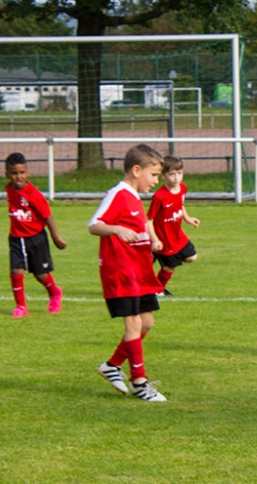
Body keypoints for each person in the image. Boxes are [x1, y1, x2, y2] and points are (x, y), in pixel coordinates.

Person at [88, 144, 167, 402]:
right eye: (153, 175)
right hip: (121, 271)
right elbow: (94, 224)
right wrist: (116, 229)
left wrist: (152, 239)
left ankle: (112, 365)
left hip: (139, 271)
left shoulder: (133, 196)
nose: (156, 181)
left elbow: (139, 224)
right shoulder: (118, 194)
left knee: (147, 322)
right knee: (133, 323)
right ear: (136, 170)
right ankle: (139, 382)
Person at [4, 152, 66, 318]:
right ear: (7, 174)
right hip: (16, 238)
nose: (19, 177)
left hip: (36, 238)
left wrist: (55, 237)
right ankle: (21, 307)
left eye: (22, 172)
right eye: (14, 173)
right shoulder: (9, 189)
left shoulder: (33, 195)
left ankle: (55, 293)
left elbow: (47, 216)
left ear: (27, 172)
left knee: (40, 274)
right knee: (16, 271)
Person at [146, 155, 200, 296]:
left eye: (179, 173)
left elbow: (180, 204)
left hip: (177, 235)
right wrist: (155, 240)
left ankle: (155, 255)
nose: (176, 178)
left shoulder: (182, 188)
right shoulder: (159, 196)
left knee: (192, 257)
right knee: (170, 266)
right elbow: (148, 219)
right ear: (163, 176)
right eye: (172, 174)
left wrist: (187, 218)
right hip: (165, 238)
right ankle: (157, 290)